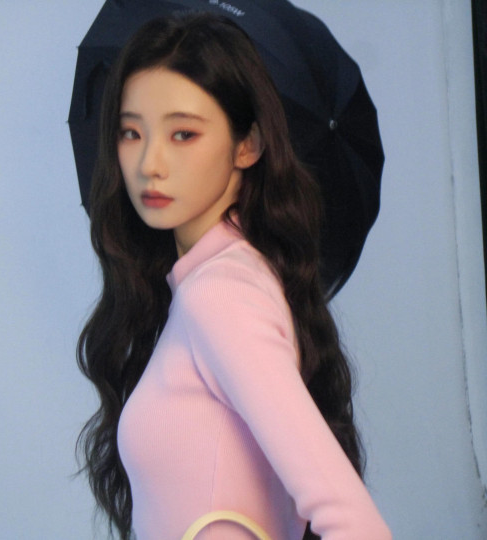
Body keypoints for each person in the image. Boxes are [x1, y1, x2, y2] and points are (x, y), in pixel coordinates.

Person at [76, 12, 391, 540]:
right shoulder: (219, 281)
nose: (150, 163)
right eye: (131, 132)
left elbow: (354, 523)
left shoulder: (220, 295)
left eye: (183, 134)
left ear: (248, 144)